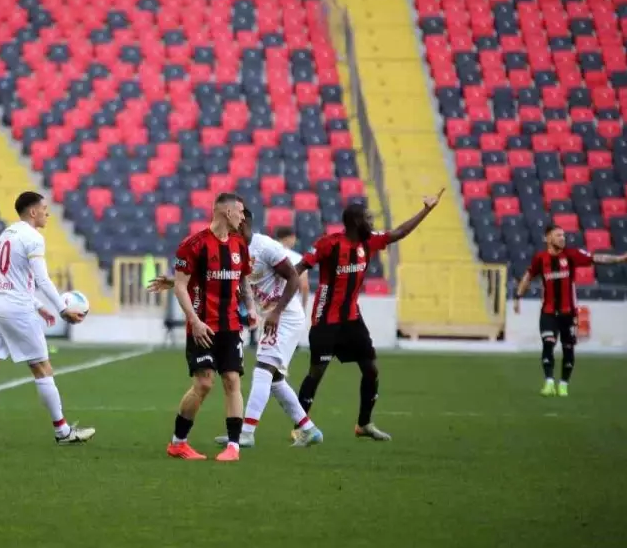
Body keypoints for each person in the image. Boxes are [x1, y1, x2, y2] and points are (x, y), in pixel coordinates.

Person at [148, 211, 319, 448]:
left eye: (235, 223)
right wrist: (174, 282)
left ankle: (246, 432)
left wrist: (277, 312)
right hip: (270, 316)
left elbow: (294, 277)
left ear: (244, 224)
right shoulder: (235, 247)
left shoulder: (265, 246)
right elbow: (221, 278)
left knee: (262, 370)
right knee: (274, 378)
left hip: (284, 317)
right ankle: (308, 429)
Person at [282, 192, 444, 442]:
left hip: (352, 319)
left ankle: (364, 423)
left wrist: (426, 210)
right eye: (367, 218)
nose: (371, 222)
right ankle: (301, 426)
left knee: (371, 368)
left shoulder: (369, 243)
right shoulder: (329, 244)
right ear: (356, 222)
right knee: (317, 371)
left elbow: (399, 233)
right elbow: (300, 268)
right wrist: (276, 295)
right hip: (326, 320)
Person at [0, 191, 93, 447]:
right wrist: (62, 308)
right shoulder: (34, 238)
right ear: (33, 212)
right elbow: (41, 279)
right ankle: (63, 432)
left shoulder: (6, 234)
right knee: (42, 368)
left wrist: (39, 305)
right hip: (17, 310)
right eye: (44, 208)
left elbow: (11, 279)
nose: (47, 213)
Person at [165, 193, 258, 462]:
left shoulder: (240, 245)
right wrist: (194, 321)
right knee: (204, 384)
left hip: (230, 326)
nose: (243, 217)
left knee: (232, 381)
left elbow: (243, 282)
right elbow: (180, 287)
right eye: (240, 212)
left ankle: (233, 447)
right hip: (203, 326)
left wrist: (250, 308)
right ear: (227, 212)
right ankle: (178, 443)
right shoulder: (193, 245)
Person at [514, 226, 627, 397]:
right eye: (558, 235)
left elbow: (598, 258)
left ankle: (563, 384)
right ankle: (549, 382)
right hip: (548, 312)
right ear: (548, 239)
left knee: (568, 348)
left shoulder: (572, 255)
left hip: (568, 313)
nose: (563, 238)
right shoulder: (540, 259)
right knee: (548, 343)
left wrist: (621, 258)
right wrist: (518, 297)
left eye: (563, 235)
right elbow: (528, 276)